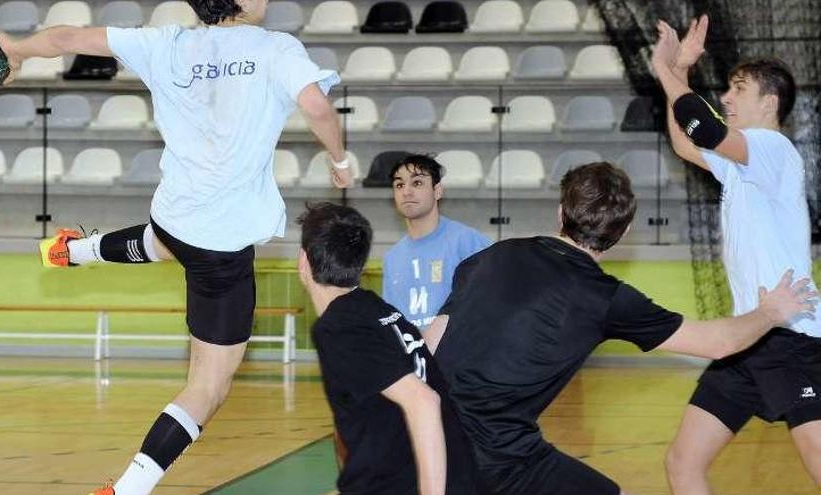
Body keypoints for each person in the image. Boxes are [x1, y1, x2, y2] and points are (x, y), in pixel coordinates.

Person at [0, 1, 352, 493]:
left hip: (176, 219)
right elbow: (316, 107)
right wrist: (341, 159)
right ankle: (128, 488)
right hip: (223, 247)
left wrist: (16, 49)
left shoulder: (164, 43)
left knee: (167, 244)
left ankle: (72, 252)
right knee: (208, 387)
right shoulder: (276, 49)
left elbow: (67, 38)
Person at [422, 161, 816, 495]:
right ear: (623, 233)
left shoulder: (494, 254)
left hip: (429, 437)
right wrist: (771, 311)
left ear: (561, 212)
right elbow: (720, 342)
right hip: (501, 458)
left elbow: (430, 345)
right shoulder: (606, 298)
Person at [652, 15, 821, 493]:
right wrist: (679, 75)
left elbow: (702, 126)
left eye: (737, 89)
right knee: (683, 463)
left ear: (768, 103)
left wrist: (666, 69)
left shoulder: (771, 148)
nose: (726, 97)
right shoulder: (742, 163)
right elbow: (687, 143)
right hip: (747, 337)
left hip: (792, 338)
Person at [297, 202, 478, 495]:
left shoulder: (339, 327)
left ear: (303, 260)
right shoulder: (378, 309)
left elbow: (424, 402)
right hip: (454, 477)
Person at [383, 154, 491, 330]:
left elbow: (493, 303)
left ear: (438, 191)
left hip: (459, 354)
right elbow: (393, 323)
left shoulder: (468, 242)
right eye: (399, 185)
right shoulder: (392, 257)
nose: (406, 192)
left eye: (417, 183)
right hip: (411, 356)